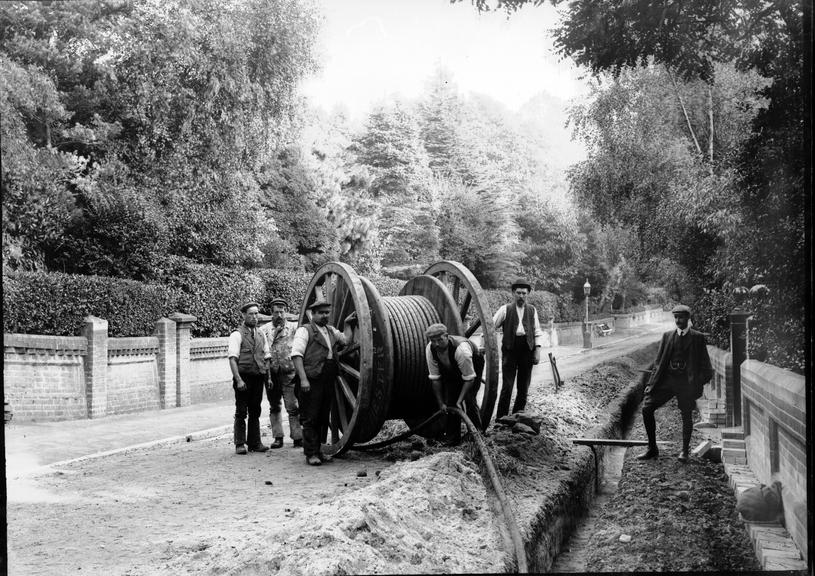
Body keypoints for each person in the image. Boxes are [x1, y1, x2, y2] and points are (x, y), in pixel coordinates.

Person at [636, 304, 714, 462]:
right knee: (647, 408)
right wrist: (651, 384)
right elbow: (658, 363)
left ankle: (684, 451)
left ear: (688, 318)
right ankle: (652, 448)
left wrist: (697, 383)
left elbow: (707, 368)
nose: (678, 320)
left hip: (686, 384)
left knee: (686, 415)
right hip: (667, 381)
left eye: (681, 317)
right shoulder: (667, 336)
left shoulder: (697, 337)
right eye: (676, 317)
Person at [290, 298, 352, 466]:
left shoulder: (331, 330)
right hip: (311, 379)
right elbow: (296, 355)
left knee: (323, 416)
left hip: (327, 378)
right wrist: (303, 379)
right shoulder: (305, 331)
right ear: (313, 314)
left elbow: (346, 340)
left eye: (327, 313)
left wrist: (346, 324)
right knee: (310, 417)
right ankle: (311, 454)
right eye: (321, 313)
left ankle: (319, 450)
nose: (325, 316)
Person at [492, 278, 544, 418]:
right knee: (507, 386)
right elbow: (490, 327)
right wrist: (483, 345)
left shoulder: (532, 310)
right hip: (510, 350)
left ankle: (517, 416)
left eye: (524, 293)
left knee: (523, 387)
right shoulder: (505, 309)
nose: (521, 296)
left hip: (527, 350)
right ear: (513, 293)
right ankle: (501, 418)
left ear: (528, 294)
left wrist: (537, 351)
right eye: (519, 293)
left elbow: (537, 331)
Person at [425, 323, 484, 446]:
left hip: (473, 363)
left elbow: (469, 379)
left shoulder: (461, 350)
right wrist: (441, 403)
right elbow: (435, 379)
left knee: (469, 399)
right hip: (452, 368)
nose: (436, 344)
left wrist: (460, 400)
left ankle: (476, 434)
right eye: (433, 341)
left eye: (440, 340)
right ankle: (453, 439)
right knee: (450, 400)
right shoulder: (430, 349)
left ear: (446, 336)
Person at [228, 302, 271, 455]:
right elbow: (233, 359)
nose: (254, 317)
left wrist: (268, 377)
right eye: (251, 314)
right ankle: (239, 443)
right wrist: (238, 380)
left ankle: (255, 442)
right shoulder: (237, 334)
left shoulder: (261, 334)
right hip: (243, 377)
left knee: (255, 410)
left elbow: (266, 356)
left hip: (258, 376)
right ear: (244, 315)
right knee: (241, 411)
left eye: (256, 314)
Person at [259, 297, 302, 449]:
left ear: (285, 312)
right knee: (274, 406)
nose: (279, 315)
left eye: (282, 312)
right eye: (276, 312)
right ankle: (278, 437)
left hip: (289, 371)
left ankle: (297, 436)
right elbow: (262, 349)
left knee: (292, 406)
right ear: (272, 313)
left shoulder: (294, 328)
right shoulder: (264, 330)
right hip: (272, 374)